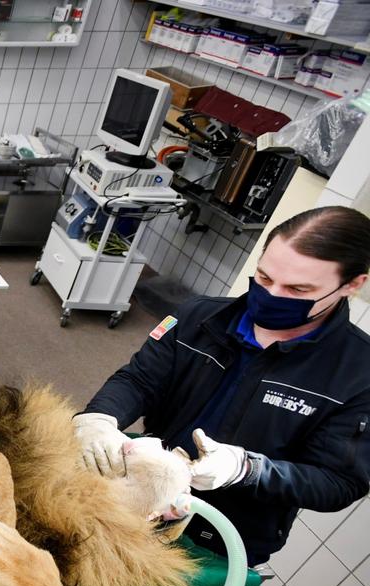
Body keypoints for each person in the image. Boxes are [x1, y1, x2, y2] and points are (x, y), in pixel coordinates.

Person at [73, 206, 370, 566]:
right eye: (264, 278)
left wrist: (247, 469)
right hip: (141, 500)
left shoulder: (358, 373)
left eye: (297, 289)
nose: (273, 294)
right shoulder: (199, 317)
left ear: (352, 284)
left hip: (224, 537)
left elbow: (338, 482)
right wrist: (99, 418)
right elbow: (139, 381)